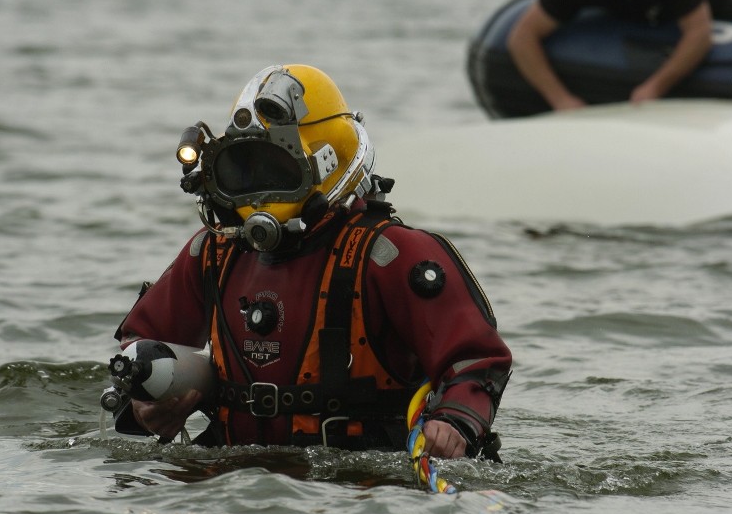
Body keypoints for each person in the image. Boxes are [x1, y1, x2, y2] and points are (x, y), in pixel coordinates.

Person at [108, 64, 513, 460]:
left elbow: (476, 359)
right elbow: (139, 347)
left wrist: (454, 423)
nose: (257, 192)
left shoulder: (389, 256)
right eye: (242, 170)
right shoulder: (212, 252)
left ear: (325, 164)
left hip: (360, 487)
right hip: (231, 482)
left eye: (275, 170)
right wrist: (146, 405)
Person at [507, 0, 732, 110]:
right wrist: (560, 99)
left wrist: (655, 86)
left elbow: (699, 34)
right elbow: (522, 37)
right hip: (639, 19)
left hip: (724, 9)